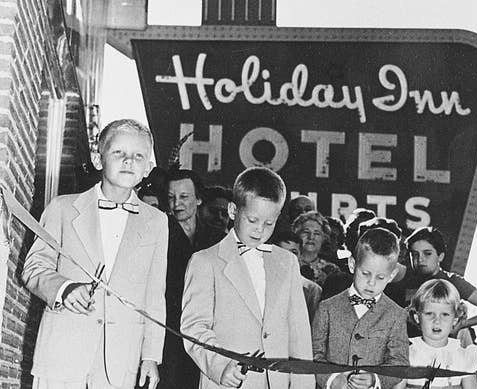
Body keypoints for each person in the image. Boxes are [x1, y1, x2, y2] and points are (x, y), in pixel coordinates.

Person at [21, 119, 167, 389]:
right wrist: (63, 289)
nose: (128, 161)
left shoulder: (157, 222)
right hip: (62, 352)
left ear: (147, 168)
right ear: (99, 160)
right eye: (118, 153)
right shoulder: (62, 208)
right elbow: (34, 268)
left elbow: (154, 294)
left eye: (138, 156)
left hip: (120, 359)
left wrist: (150, 357)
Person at [181, 167, 313, 389]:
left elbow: (299, 337)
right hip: (227, 383)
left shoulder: (287, 262)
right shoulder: (205, 261)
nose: (259, 230)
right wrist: (221, 366)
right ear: (233, 210)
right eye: (252, 220)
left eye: (268, 223)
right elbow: (194, 328)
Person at [312, 227, 409, 389]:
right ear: (352, 265)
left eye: (380, 277)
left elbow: (400, 362)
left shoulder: (397, 314)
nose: (371, 283)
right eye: (365, 273)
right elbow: (313, 354)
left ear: (392, 276)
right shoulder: (326, 308)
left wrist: (375, 379)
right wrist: (331, 379)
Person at [160, 169, 225, 389]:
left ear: (198, 199)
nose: (176, 203)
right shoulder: (158, 234)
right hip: (168, 333)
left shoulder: (217, 238)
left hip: (206, 333)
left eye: (184, 196)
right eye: (171, 197)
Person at [396, 227, 477, 337]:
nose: (420, 259)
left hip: (443, 349)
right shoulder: (402, 280)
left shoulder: (453, 282)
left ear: (440, 256)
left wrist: (461, 325)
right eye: (415, 254)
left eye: (427, 253)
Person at [406, 279, 477, 389]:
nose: (437, 320)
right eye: (429, 314)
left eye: (444, 314)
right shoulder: (407, 355)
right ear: (417, 317)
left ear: (455, 319)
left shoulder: (463, 356)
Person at [273, 230, 322, 322]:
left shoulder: (311, 290)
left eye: (294, 253)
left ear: (300, 256)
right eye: (283, 252)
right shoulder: (263, 283)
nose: (289, 257)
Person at [292, 211, 340, 286]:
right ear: (297, 234)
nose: (311, 237)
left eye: (316, 233)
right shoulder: (289, 264)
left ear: (324, 238)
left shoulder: (332, 270)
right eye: (306, 232)